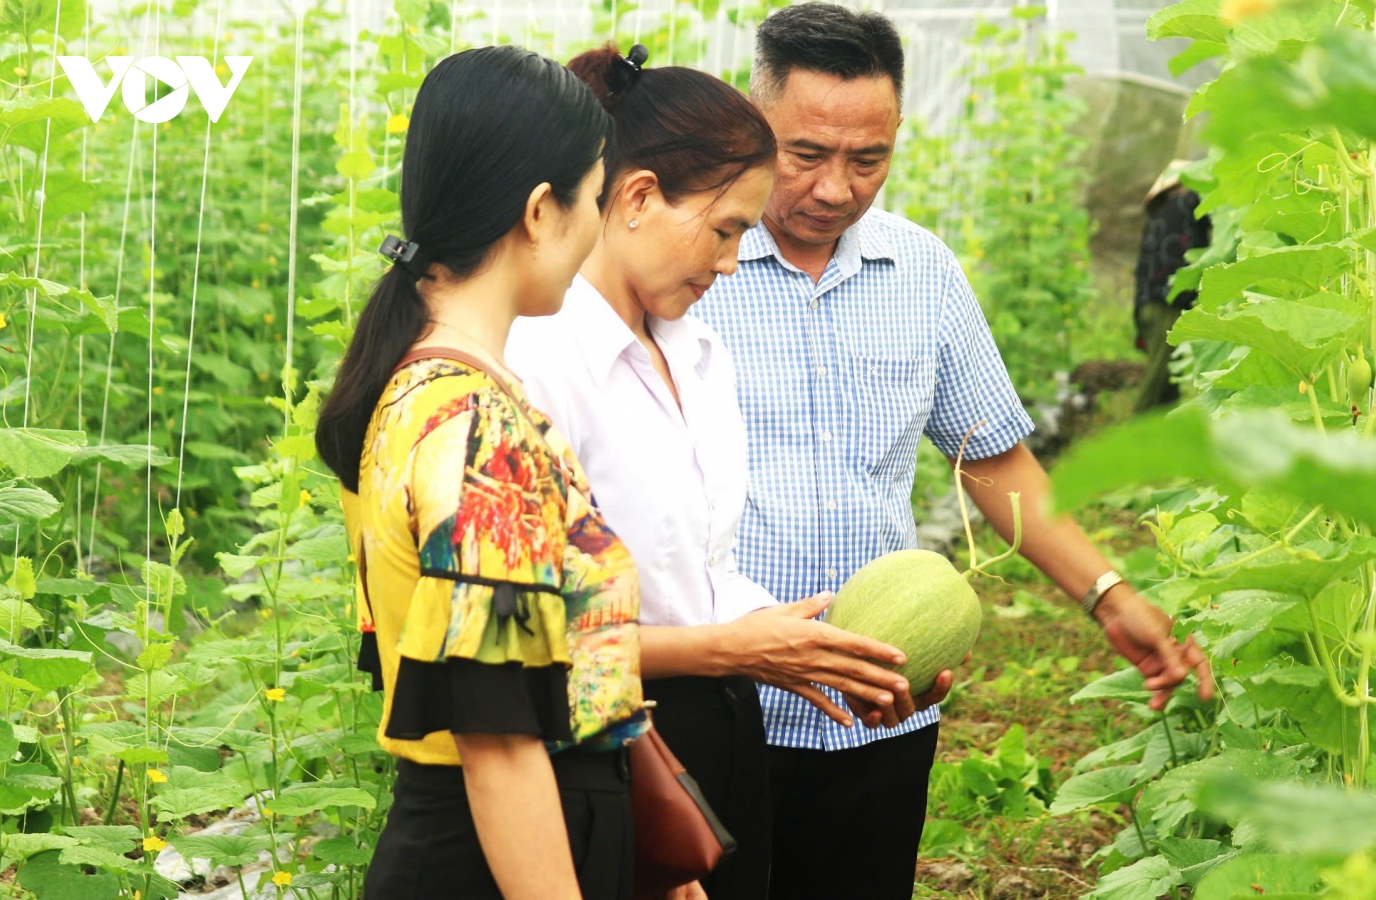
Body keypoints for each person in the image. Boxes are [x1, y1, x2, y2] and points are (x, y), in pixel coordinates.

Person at [692, 6, 1218, 898]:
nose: (835, 189)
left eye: (868, 160)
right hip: (719, 710)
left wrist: (1108, 595)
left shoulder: (922, 272)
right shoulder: (692, 274)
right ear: (754, 124)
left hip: (882, 710)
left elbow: (992, 459)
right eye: (805, 154)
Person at [504, 43, 915, 900]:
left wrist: (827, 651)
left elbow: (705, 573)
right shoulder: (539, 361)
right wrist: (736, 647)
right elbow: (528, 641)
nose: (731, 263)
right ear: (639, 197)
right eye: (725, 229)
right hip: (597, 740)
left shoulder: (697, 354)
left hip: (716, 732)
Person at [315, 46, 648, 900]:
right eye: (597, 201)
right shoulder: (474, 429)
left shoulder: (410, 385)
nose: (597, 232)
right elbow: (497, 739)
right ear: (541, 210)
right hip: (497, 855)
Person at [1133, 160, 1210, 412]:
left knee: (1167, 388)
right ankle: (1133, 445)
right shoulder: (1188, 203)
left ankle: (1163, 443)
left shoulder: (1157, 216)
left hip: (1148, 306)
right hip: (1169, 305)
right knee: (1155, 388)